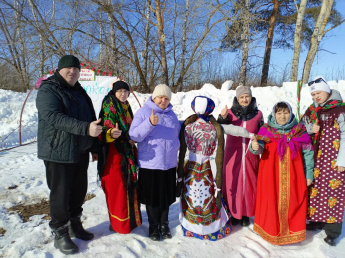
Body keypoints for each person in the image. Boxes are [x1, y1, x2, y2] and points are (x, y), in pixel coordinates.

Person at [36, 55, 102, 254]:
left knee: (79, 190)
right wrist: (85, 129)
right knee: (61, 194)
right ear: (59, 70)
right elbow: (54, 117)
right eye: (68, 68)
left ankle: (75, 223)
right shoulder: (48, 89)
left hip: (79, 150)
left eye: (75, 69)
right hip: (58, 151)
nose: (72, 72)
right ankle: (60, 232)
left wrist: (94, 147)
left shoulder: (79, 91)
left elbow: (91, 118)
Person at [250, 101, 314, 245]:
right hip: (270, 176)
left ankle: (292, 232)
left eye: (286, 113)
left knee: (294, 201)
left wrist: (309, 174)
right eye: (279, 113)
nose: (283, 116)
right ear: (274, 114)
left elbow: (308, 154)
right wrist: (254, 146)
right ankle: (271, 231)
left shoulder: (299, 131)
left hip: (295, 176)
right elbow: (258, 146)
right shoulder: (266, 130)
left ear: (291, 114)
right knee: (270, 202)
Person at [129, 84, 180, 241]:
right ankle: (153, 225)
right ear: (154, 97)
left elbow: (178, 131)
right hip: (150, 164)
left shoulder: (172, 115)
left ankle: (164, 224)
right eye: (160, 97)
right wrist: (149, 123)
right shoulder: (144, 113)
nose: (163, 100)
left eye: (166, 98)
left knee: (166, 196)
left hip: (169, 164)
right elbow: (134, 135)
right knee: (152, 198)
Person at [177, 96, 231, 241]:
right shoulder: (213, 126)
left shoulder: (187, 125)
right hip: (207, 166)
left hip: (193, 167)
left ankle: (192, 225)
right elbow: (233, 130)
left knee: (194, 194)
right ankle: (209, 226)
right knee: (204, 194)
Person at [302, 76, 345, 246]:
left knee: (334, 192)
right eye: (313, 94)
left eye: (318, 93)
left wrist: (342, 160)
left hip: (334, 159)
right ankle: (316, 220)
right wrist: (309, 128)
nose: (316, 97)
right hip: (316, 158)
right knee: (315, 190)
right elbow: (301, 128)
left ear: (326, 91)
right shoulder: (311, 110)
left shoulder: (340, 110)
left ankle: (333, 231)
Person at [97, 80, 142, 234]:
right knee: (118, 188)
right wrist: (111, 133)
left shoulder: (125, 105)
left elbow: (131, 126)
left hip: (126, 149)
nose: (123, 94)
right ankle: (118, 223)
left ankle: (129, 221)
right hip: (114, 153)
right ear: (114, 92)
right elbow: (103, 128)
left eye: (125, 91)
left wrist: (132, 137)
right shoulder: (109, 105)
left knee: (127, 186)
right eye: (120, 91)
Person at [217, 86, 263, 227]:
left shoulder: (258, 114)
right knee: (233, 183)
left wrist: (259, 145)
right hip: (233, 154)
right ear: (237, 98)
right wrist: (222, 118)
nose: (244, 99)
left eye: (247, 97)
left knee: (249, 184)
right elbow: (219, 128)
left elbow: (262, 133)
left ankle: (245, 214)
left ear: (251, 97)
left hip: (250, 155)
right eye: (241, 97)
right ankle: (233, 213)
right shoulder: (230, 113)